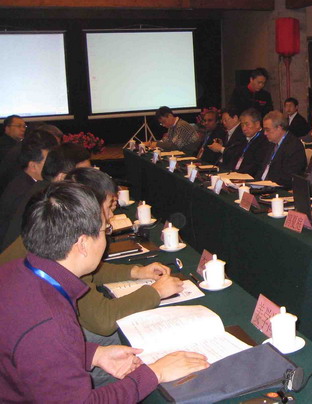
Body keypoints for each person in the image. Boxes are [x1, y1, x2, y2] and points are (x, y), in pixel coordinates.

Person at [0, 181, 209, 401]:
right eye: (104, 231)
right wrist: (156, 373)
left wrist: (93, 354)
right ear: (82, 244)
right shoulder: (50, 321)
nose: (106, 239)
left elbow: (38, 355)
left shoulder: (18, 270)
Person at [0, 130, 58, 245]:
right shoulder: (25, 193)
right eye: (49, 161)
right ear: (33, 166)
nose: (55, 165)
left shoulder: (26, 181)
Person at [258, 111, 307, 188]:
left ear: (279, 128)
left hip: (280, 188)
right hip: (263, 186)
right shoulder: (271, 143)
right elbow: (262, 169)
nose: (265, 133)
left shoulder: (294, 146)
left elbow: (289, 177)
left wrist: (266, 184)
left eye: (267, 130)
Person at [234, 108, 271, 177]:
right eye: (242, 125)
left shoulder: (264, 140)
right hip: (237, 175)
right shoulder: (242, 139)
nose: (244, 128)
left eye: (247, 124)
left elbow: (256, 166)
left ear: (257, 124)